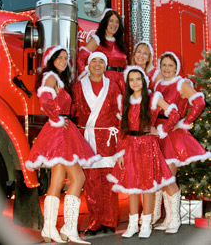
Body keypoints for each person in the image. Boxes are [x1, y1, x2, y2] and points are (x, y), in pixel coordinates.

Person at [25, 45, 101, 244]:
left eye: (66, 57)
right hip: (60, 132)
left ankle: (50, 229)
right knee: (79, 177)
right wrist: (57, 118)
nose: (63, 60)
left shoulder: (59, 80)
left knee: (57, 182)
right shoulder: (51, 77)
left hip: (62, 131)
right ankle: (68, 228)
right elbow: (45, 99)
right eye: (59, 57)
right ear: (51, 59)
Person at [106, 65, 180, 239]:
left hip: (147, 146)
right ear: (128, 82)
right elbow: (122, 128)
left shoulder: (154, 98)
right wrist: (120, 153)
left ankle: (146, 223)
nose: (135, 82)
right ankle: (132, 224)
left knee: (147, 186)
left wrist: (159, 130)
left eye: (138, 79)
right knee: (131, 187)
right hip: (130, 146)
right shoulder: (126, 101)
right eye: (131, 80)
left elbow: (174, 114)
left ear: (143, 80)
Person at [152, 51, 211, 233]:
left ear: (176, 67)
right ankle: (168, 218)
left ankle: (175, 219)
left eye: (170, 65)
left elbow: (199, 102)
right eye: (164, 65)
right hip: (157, 132)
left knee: (168, 177)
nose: (167, 68)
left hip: (172, 134)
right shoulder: (158, 84)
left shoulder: (181, 83)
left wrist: (184, 122)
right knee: (161, 179)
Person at [72, 52, 122, 236]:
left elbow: (119, 115)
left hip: (109, 141)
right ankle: (94, 222)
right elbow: (72, 111)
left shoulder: (113, 86)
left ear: (106, 65)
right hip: (88, 140)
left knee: (109, 183)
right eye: (94, 60)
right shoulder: (78, 87)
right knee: (91, 183)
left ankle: (109, 222)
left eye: (101, 61)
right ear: (88, 64)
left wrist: (121, 147)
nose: (98, 64)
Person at [77, 9, 127, 92]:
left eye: (117, 22)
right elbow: (80, 59)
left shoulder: (120, 42)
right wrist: (86, 78)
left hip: (121, 84)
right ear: (105, 22)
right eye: (111, 21)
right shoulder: (97, 40)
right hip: (104, 82)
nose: (114, 24)